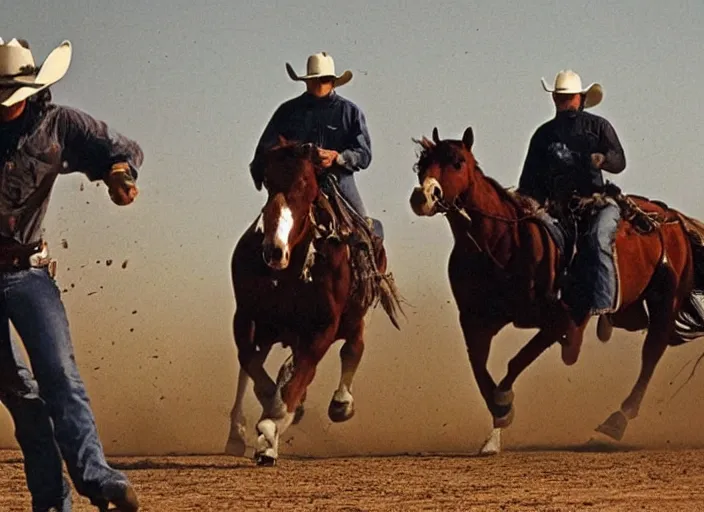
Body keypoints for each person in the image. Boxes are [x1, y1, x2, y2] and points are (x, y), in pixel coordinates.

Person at [0, 37, 142, 511]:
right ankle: (51, 501)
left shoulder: (59, 125)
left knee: (59, 374)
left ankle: (97, 477)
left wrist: (119, 175)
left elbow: (117, 150)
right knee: (20, 393)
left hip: (27, 272)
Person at [517, 69, 626, 361]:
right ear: (554, 99)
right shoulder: (543, 135)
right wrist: (526, 203)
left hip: (597, 203)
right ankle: (548, 305)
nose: (565, 102)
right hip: (557, 208)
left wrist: (603, 159)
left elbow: (619, 160)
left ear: (581, 98)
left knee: (599, 239)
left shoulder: (598, 126)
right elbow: (529, 182)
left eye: (569, 97)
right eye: (560, 97)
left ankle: (604, 309)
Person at [251, 52, 374, 224]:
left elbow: (364, 154)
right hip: (294, 186)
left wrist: (337, 157)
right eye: (315, 79)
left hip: (338, 180)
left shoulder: (350, 112)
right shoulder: (287, 111)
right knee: (266, 235)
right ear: (307, 81)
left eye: (323, 80)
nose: (319, 84)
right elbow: (264, 151)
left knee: (364, 230)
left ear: (332, 81)